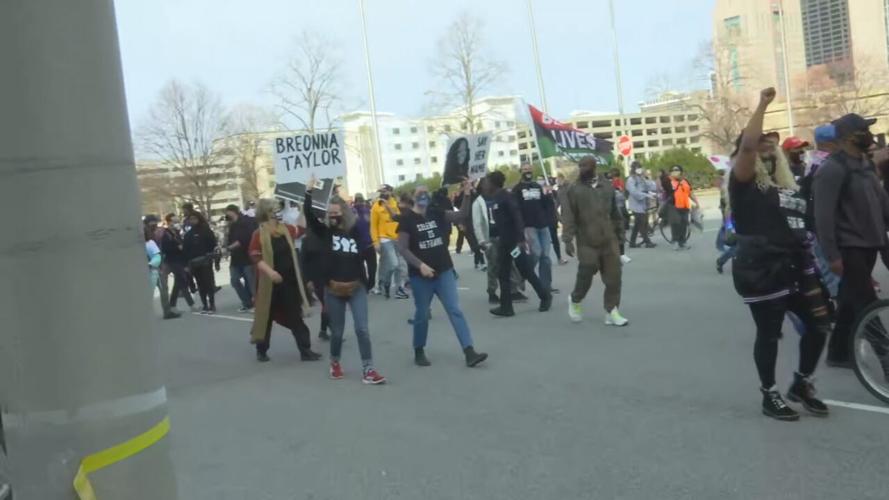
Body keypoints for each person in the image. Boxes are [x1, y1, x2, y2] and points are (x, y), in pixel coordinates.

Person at [728, 87, 832, 421]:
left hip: (796, 265)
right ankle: (769, 394)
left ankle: (801, 383)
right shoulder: (743, 183)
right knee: (770, 332)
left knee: (819, 324)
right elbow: (748, 145)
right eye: (761, 142)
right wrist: (762, 104)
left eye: (771, 143)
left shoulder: (787, 185)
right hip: (761, 268)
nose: (767, 145)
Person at [814, 113, 889, 370]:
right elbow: (823, 218)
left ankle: (838, 353)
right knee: (867, 303)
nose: (869, 136)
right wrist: (832, 256)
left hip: (872, 243)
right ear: (847, 138)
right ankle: (886, 359)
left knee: (850, 299)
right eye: (863, 131)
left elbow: (881, 202)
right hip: (849, 248)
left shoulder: (865, 164)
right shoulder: (831, 170)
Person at [396, 181, 488, 368]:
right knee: (422, 314)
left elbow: (461, 215)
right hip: (421, 277)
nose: (423, 196)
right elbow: (403, 248)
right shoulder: (407, 220)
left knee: (454, 309)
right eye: (420, 193)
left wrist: (467, 194)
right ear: (413, 197)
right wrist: (420, 265)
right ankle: (419, 349)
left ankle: (469, 351)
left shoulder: (435, 213)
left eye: (426, 193)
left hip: (444, 270)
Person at [303, 178, 385, 384]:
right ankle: (335, 362)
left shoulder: (355, 231)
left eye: (336, 212)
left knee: (362, 329)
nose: (333, 216)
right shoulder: (324, 233)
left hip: (356, 286)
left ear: (344, 212)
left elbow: (366, 253)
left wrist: (369, 279)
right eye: (330, 213)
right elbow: (310, 216)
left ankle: (368, 369)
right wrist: (308, 193)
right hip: (333, 289)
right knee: (338, 332)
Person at [248, 198, 322, 363]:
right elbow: (255, 256)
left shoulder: (285, 229)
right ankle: (261, 350)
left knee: (295, 316)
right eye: (274, 209)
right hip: (269, 283)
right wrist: (270, 272)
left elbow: (301, 229)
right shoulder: (258, 234)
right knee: (266, 317)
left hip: (289, 281)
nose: (278, 212)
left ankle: (305, 350)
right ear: (267, 213)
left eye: (278, 209)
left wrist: (303, 207)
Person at [561, 157, 628, 327]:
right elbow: (568, 215)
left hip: (609, 239)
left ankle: (611, 311)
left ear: (594, 167)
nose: (582, 169)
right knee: (587, 271)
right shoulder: (574, 189)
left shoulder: (607, 186)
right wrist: (567, 239)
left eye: (586, 166)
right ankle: (575, 299)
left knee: (614, 277)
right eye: (580, 166)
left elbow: (615, 213)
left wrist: (620, 236)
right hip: (587, 240)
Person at [488, 170, 553, 317]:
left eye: (487, 183)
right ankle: (506, 307)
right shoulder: (496, 198)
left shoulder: (506, 196)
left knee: (526, 271)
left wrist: (521, 240)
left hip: (513, 242)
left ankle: (545, 296)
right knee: (503, 274)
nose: (485, 185)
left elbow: (517, 216)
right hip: (504, 242)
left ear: (493, 183)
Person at [473, 177, 523, 304]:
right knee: (493, 265)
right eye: (485, 184)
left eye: (489, 183)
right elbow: (477, 223)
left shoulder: (498, 197)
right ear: (481, 187)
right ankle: (492, 291)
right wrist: (481, 241)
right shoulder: (478, 202)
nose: (488, 186)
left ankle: (513, 290)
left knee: (510, 263)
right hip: (490, 238)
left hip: (503, 236)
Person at [512, 163, 556, 293]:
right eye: (525, 169)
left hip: (543, 225)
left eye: (529, 169)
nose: (528, 172)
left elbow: (546, 205)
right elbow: (516, 209)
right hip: (528, 226)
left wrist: (549, 195)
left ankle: (546, 286)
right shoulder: (517, 189)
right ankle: (524, 274)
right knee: (536, 253)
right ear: (521, 172)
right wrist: (520, 228)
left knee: (546, 257)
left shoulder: (538, 186)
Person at [371, 185, 409, 299]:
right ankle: (385, 282)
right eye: (381, 192)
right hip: (385, 238)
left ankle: (399, 289)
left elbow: (402, 219)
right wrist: (375, 241)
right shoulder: (376, 206)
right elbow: (373, 226)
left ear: (390, 191)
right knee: (393, 263)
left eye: (385, 191)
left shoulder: (396, 204)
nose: (384, 194)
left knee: (401, 266)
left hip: (398, 237)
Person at [224, 204, 258, 312]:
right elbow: (230, 240)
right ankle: (247, 302)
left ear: (232, 211)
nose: (226, 215)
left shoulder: (245, 222)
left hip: (246, 256)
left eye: (227, 212)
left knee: (251, 282)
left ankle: (257, 304)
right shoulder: (232, 225)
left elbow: (243, 239)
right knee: (234, 280)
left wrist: (228, 248)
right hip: (235, 258)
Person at [182, 211, 218, 314]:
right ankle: (205, 305)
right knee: (200, 284)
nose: (193, 221)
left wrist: (213, 258)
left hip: (206, 260)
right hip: (194, 262)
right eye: (191, 219)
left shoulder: (206, 231)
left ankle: (212, 304)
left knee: (208, 283)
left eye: (194, 218)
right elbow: (185, 250)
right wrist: (186, 264)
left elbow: (213, 244)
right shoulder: (188, 234)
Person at [143, 215, 178, 319]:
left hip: (156, 264)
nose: (154, 225)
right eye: (153, 222)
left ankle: (166, 311)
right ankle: (166, 311)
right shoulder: (147, 234)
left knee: (163, 288)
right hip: (153, 265)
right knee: (161, 288)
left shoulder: (156, 232)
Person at [161, 213, 196, 312]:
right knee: (182, 281)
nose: (176, 223)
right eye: (174, 221)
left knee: (178, 283)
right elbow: (165, 249)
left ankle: (172, 305)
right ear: (169, 222)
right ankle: (191, 305)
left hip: (180, 260)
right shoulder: (166, 234)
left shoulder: (176, 233)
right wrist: (177, 247)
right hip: (172, 260)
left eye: (177, 221)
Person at [626, 163, 657, 249]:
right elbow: (634, 192)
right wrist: (645, 195)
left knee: (637, 224)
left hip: (643, 204)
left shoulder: (641, 178)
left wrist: (647, 177)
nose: (639, 169)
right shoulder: (631, 180)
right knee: (642, 223)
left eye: (640, 167)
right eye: (637, 168)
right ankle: (647, 242)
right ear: (633, 169)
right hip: (636, 204)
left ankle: (632, 242)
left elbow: (651, 186)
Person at [668, 165, 697, 250]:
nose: (675, 172)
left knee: (684, 225)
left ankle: (682, 241)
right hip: (673, 207)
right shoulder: (669, 182)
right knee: (675, 225)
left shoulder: (685, 181)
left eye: (677, 170)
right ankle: (675, 241)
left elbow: (690, 193)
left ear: (681, 172)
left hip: (685, 206)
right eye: (673, 170)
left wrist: (696, 202)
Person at [352, 193, 377, 290]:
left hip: (369, 244)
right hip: (358, 246)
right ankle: (365, 286)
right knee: (361, 269)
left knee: (372, 269)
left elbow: (373, 225)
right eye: (358, 201)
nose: (359, 203)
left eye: (361, 200)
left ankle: (370, 285)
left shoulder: (367, 211)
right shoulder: (352, 212)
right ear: (355, 201)